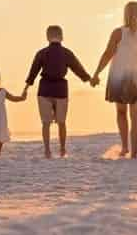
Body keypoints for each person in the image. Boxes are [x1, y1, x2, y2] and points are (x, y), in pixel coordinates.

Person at [91, 2, 137, 160]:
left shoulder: (118, 32)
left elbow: (108, 53)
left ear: (125, 13)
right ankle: (133, 154)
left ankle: (125, 147)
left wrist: (96, 73)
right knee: (136, 117)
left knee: (121, 113)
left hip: (119, 77)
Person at [25, 25, 92, 158]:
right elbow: (78, 69)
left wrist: (25, 89)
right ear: (61, 37)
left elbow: (33, 72)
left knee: (46, 123)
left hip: (45, 89)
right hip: (61, 89)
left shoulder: (41, 53)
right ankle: (62, 149)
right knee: (61, 122)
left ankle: (47, 151)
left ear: (47, 37)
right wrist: (89, 80)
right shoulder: (67, 53)